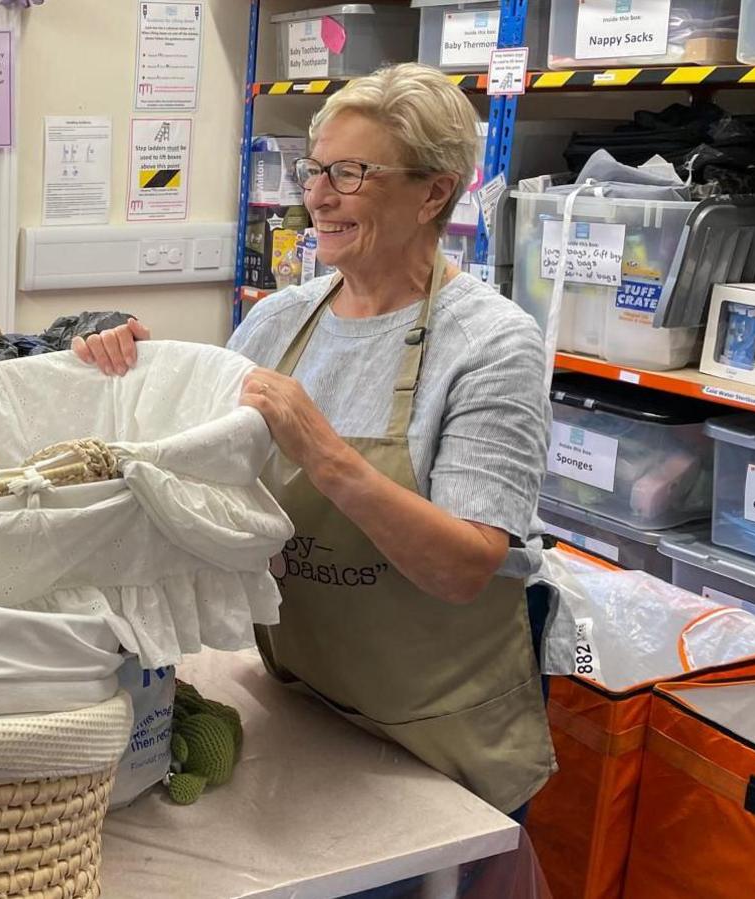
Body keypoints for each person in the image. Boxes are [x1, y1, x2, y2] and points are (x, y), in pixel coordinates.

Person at [77, 64, 554, 819]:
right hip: (303, 694)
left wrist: (324, 451)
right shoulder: (280, 319)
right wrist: (132, 376)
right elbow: (200, 476)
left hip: (437, 737)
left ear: (433, 192)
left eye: (350, 173)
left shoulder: (493, 344)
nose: (318, 196)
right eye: (314, 169)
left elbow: (466, 566)